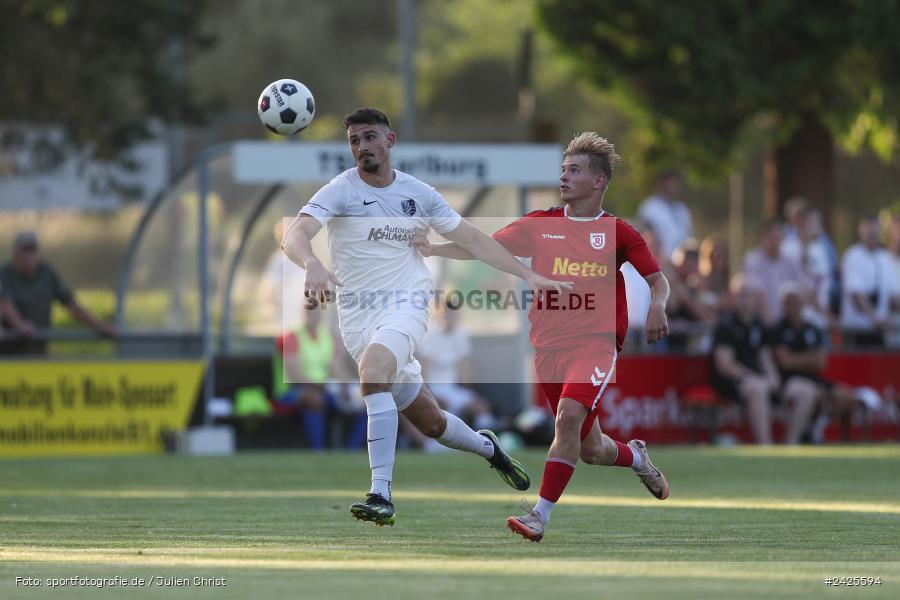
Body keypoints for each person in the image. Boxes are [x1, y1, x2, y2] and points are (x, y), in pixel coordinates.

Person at [281, 107, 565, 526]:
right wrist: (311, 263)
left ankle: (381, 493)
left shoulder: (421, 194)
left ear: (389, 141)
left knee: (373, 373)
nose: (362, 147)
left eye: (370, 137)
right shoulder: (340, 190)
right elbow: (295, 234)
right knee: (430, 422)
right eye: (354, 140)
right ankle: (490, 449)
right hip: (358, 320)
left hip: (407, 305)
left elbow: (474, 239)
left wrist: (525, 273)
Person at [413, 132, 672, 543]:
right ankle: (635, 455)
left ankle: (539, 516)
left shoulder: (618, 232)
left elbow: (658, 281)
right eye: (563, 169)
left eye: (574, 170)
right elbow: (484, 247)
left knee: (567, 419)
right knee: (591, 449)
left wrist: (658, 305)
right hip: (549, 349)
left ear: (599, 181)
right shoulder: (540, 224)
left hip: (597, 343)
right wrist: (435, 249)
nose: (564, 177)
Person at [0, 231, 115, 354]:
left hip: (37, 350)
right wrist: (19, 325)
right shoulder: (6, 274)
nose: (29, 255)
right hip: (8, 352)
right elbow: (4, 302)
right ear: (15, 252)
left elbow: (70, 303)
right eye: (25, 250)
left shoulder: (46, 274)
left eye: (32, 250)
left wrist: (98, 326)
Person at [275, 300, 366, 450]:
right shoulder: (292, 337)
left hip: (323, 390)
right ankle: (318, 451)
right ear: (303, 314)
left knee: (365, 404)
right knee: (314, 400)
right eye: (310, 313)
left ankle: (351, 451)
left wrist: (347, 386)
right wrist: (324, 386)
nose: (313, 317)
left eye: (317, 314)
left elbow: (336, 367)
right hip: (290, 391)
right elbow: (294, 375)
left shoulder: (328, 337)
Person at [711, 276, 780, 444]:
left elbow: (765, 356)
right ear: (733, 298)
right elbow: (724, 365)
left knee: (798, 390)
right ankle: (765, 445)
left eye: (748, 295)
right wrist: (753, 377)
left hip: (754, 378)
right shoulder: (726, 324)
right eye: (741, 295)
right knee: (757, 388)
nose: (745, 300)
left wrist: (773, 378)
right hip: (729, 381)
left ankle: (794, 442)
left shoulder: (758, 324)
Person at [418, 299, 497, 432]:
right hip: (434, 390)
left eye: (454, 314)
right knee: (442, 408)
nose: (452, 317)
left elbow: (464, 369)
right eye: (448, 313)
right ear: (441, 314)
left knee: (481, 407)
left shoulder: (461, 334)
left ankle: (486, 441)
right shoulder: (430, 335)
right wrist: (431, 396)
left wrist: (468, 394)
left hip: (453, 390)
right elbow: (424, 373)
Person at [742, 219, 810, 324]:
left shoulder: (790, 261)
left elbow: (803, 288)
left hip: (787, 323)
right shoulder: (752, 260)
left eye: (778, 238)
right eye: (772, 238)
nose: (775, 242)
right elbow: (758, 293)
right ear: (763, 238)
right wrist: (771, 323)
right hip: (763, 322)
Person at [840, 215, 894, 347]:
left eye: (875, 232)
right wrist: (875, 319)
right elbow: (856, 295)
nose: (872, 236)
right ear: (861, 232)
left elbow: (891, 295)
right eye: (869, 232)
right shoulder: (853, 255)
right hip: (857, 331)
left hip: (880, 331)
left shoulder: (885, 257)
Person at [637, 170, 693, 261]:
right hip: (659, 261)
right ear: (662, 184)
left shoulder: (682, 209)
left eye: (677, 183)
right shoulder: (649, 206)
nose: (674, 186)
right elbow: (644, 234)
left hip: (682, 264)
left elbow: (689, 236)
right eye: (671, 182)